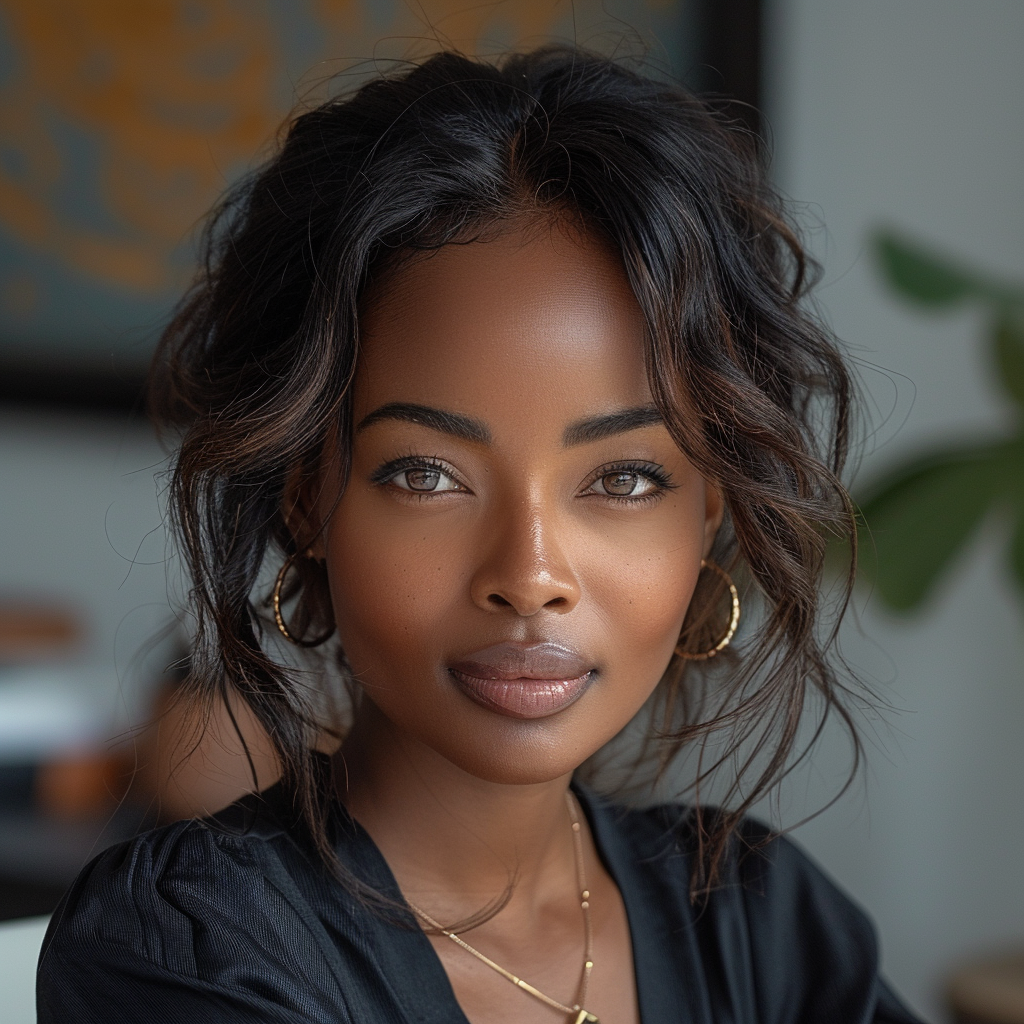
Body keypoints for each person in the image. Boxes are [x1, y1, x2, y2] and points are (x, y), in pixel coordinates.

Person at [37, 46, 925, 1023]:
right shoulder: (186, 951)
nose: (529, 575)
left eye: (624, 478)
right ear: (307, 499)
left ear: (705, 511)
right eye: (426, 474)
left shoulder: (758, 925)